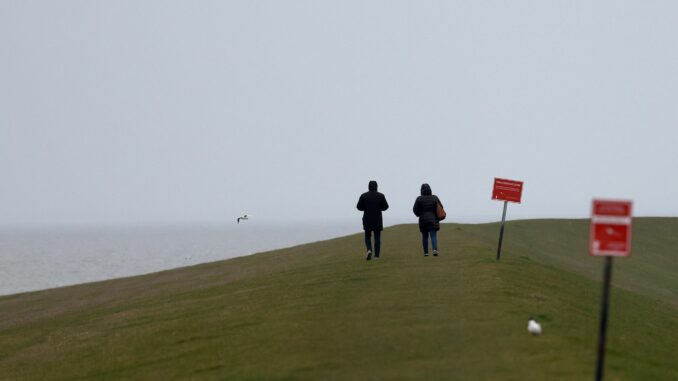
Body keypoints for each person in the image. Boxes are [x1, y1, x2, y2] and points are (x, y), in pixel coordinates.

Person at [356, 180, 389, 260]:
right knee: (377, 237)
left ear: (369, 187)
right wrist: (379, 207)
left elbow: (358, 207)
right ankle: (377, 256)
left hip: (367, 219)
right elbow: (386, 207)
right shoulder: (381, 196)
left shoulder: (364, 196)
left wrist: (366, 207)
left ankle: (369, 250)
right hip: (377, 219)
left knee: (367, 236)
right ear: (376, 187)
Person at [413, 183, 444, 257]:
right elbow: (441, 206)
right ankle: (435, 250)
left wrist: (419, 214)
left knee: (425, 236)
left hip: (423, 220)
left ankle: (426, 253)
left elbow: (415, 210)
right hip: (433, 219)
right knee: (433, 236)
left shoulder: (419, 198)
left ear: (421, 190)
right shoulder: (434, 197)